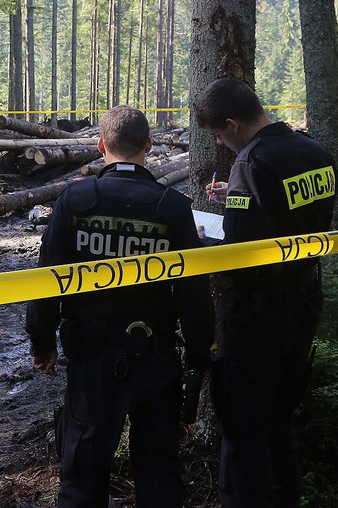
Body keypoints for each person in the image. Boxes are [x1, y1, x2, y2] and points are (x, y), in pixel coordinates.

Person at [27, 105, 214, 508]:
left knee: (81, 477)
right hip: (157, 361)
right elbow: (194, 292)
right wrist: (198, 355)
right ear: (148, 145)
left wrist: (41, 342)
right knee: (160, 473)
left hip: (93, 363)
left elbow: (47, 279)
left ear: (100, 146)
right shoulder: (173, 208)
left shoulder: (76, 200)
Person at [193, 78, 337, 508]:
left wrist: (201, 242)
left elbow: (239, 251)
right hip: (304, 300)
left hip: (257, 315)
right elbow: (289, 214)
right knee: (279, 420)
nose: (221, 143)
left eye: (219, 135)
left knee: (242, 427)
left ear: (233, 123)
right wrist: (236, 196)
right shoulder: (313, 150)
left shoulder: (252, 163)